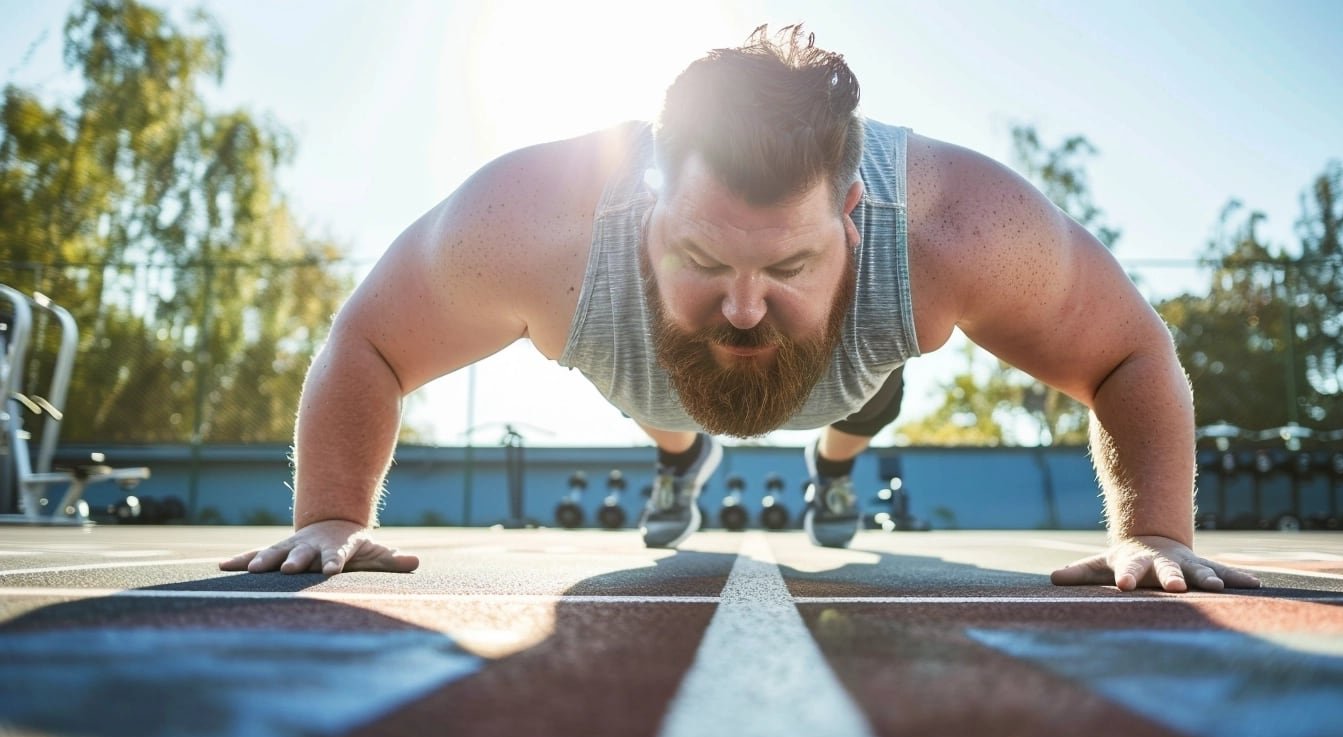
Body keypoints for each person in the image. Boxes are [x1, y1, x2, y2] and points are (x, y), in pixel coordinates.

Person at [221, 25, 1260, 594]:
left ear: (853, 216)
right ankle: (681, 461)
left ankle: (831, 477)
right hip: (646, 372)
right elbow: (369, 342)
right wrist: (333, 516)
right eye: (704, 257)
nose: (747, 305)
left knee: (861, 400)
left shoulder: (961, 227)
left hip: (849, 376)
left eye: (789, 264)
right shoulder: (534, 221)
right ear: (647, 208)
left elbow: (1129, 353)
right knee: (667, 383)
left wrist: (1154, 533)